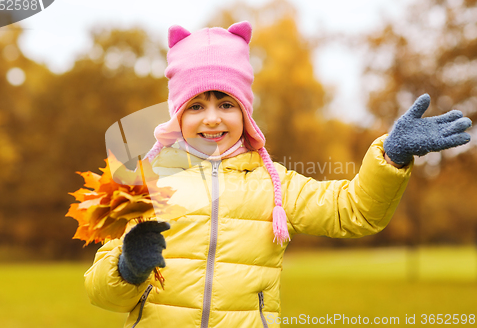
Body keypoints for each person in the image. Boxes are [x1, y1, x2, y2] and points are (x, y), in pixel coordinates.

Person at [84, 21, 472, 328]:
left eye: (226, 103)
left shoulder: (273, 183)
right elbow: (102, 294)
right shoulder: (144, 185)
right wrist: (128, 268)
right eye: (196, 105)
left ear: (245, 113)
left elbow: (352, 211)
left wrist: (390, 156)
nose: (213, 118)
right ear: (177, 115)